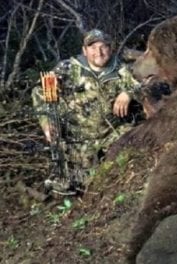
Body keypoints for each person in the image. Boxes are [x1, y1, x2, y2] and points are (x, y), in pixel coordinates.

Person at [32, 29, 143, 191]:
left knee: (134, 150)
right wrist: (47, 124)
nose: (98, 52)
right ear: (84, 50)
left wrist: (128, 93)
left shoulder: (119, 68)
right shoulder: (67, 68)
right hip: (79, 140)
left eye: (103, 47)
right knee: (81, 184)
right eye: (92, 47)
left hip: (111, 133)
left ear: (110, 49)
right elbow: (40, 91)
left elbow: (141, 84)